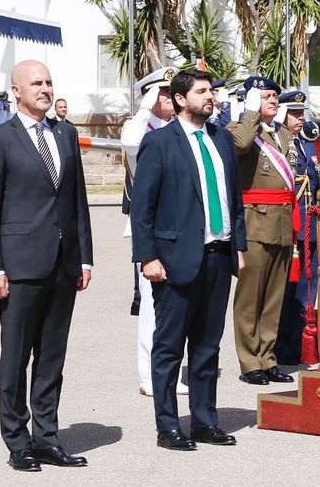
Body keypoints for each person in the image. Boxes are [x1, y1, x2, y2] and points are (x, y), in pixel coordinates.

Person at [0, 60, 93, 472]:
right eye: (36, 83)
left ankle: (47, 436)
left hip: (63, 265)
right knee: (15, 357)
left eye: (48, 82)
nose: (44, 89)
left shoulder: (65, 132)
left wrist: (84, 257)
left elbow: (76, 200)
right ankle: (17, 440)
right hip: (20, 265)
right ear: (16, 91)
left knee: (51, 357)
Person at [131, 69, 246, 451]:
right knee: (169, 347)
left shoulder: (221, 141)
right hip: (175, 260)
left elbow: (235, 200)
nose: (210, 97)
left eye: (211, 91)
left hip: (218, 256)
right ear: (180, 99)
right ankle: (168, 427)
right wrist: (147, 257)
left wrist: (239, 246)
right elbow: (142, 207)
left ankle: (204, 421)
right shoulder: (161, 143)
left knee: (207, 347)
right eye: (201, 91)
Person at [228, 76, 297, 385]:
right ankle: (248, 361)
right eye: (267, 96)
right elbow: (241, 145)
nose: (273, 101)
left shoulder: (281, 135)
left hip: (281, 223)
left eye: (275, 97)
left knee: (273, 298)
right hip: (255, 223)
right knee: (249, 298)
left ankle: (267, 357)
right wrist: (250, 112)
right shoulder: (241, 131)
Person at [120, 67, 179, 398]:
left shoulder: (171, 127)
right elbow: (130, 143)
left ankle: (167, 372)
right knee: (152, 307)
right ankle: (148, 374)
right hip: (151, 225)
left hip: (175, 223)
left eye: (172, 93)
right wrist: (145, 108)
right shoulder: (139, 125)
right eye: (163, 93)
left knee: (173, 306)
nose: (169, 99)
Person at [274, 90, 320, 365]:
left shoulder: (306, 145)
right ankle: (282, 343)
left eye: (301, 113)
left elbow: (314, 187)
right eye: (294, 113)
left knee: (308, 287)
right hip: (291, 226)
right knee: (287, 290)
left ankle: (301, 341)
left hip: (310, 226)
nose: (300, 118)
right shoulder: (279, 145)